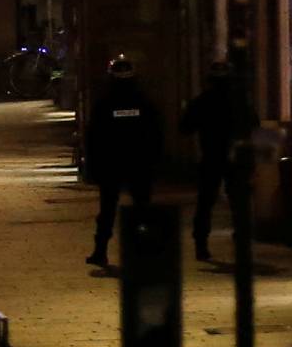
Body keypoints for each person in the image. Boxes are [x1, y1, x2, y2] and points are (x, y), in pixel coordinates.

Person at [85, 53, 164, 269]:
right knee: (142, 210)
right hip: (139, 164)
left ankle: (100, 251)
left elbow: (93, 137)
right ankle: (145, 253)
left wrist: (92, 167)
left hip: (111, 165)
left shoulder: (104, 103)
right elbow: (156, 134)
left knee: (107, 211)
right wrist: (155, 162)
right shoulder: (144, 102)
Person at [180, 64, 242, 262]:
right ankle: (240, 242)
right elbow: (253, 124)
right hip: (233, 156)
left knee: (205, 202)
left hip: (211, 155)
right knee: (237, 202)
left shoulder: (202, 102)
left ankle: (201, 245)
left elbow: (185, 128)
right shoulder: (237, 100)